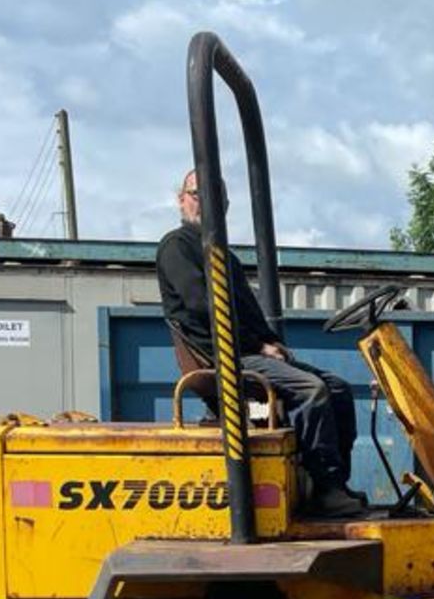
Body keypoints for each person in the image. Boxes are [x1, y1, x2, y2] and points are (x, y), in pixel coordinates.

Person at [156, 169, 364, 517]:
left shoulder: (224, 256)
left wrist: (271, 342)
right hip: (221, 357)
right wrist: (258, 344)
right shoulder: (178, 247)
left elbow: (250, 313)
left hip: (248, 350)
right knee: (312, 390)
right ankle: (326, 490)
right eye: (197, 194)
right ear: (182, 199)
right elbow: (203, 307)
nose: (206, 204)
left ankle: (331, 485)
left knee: (339, 389)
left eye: (215, 198)